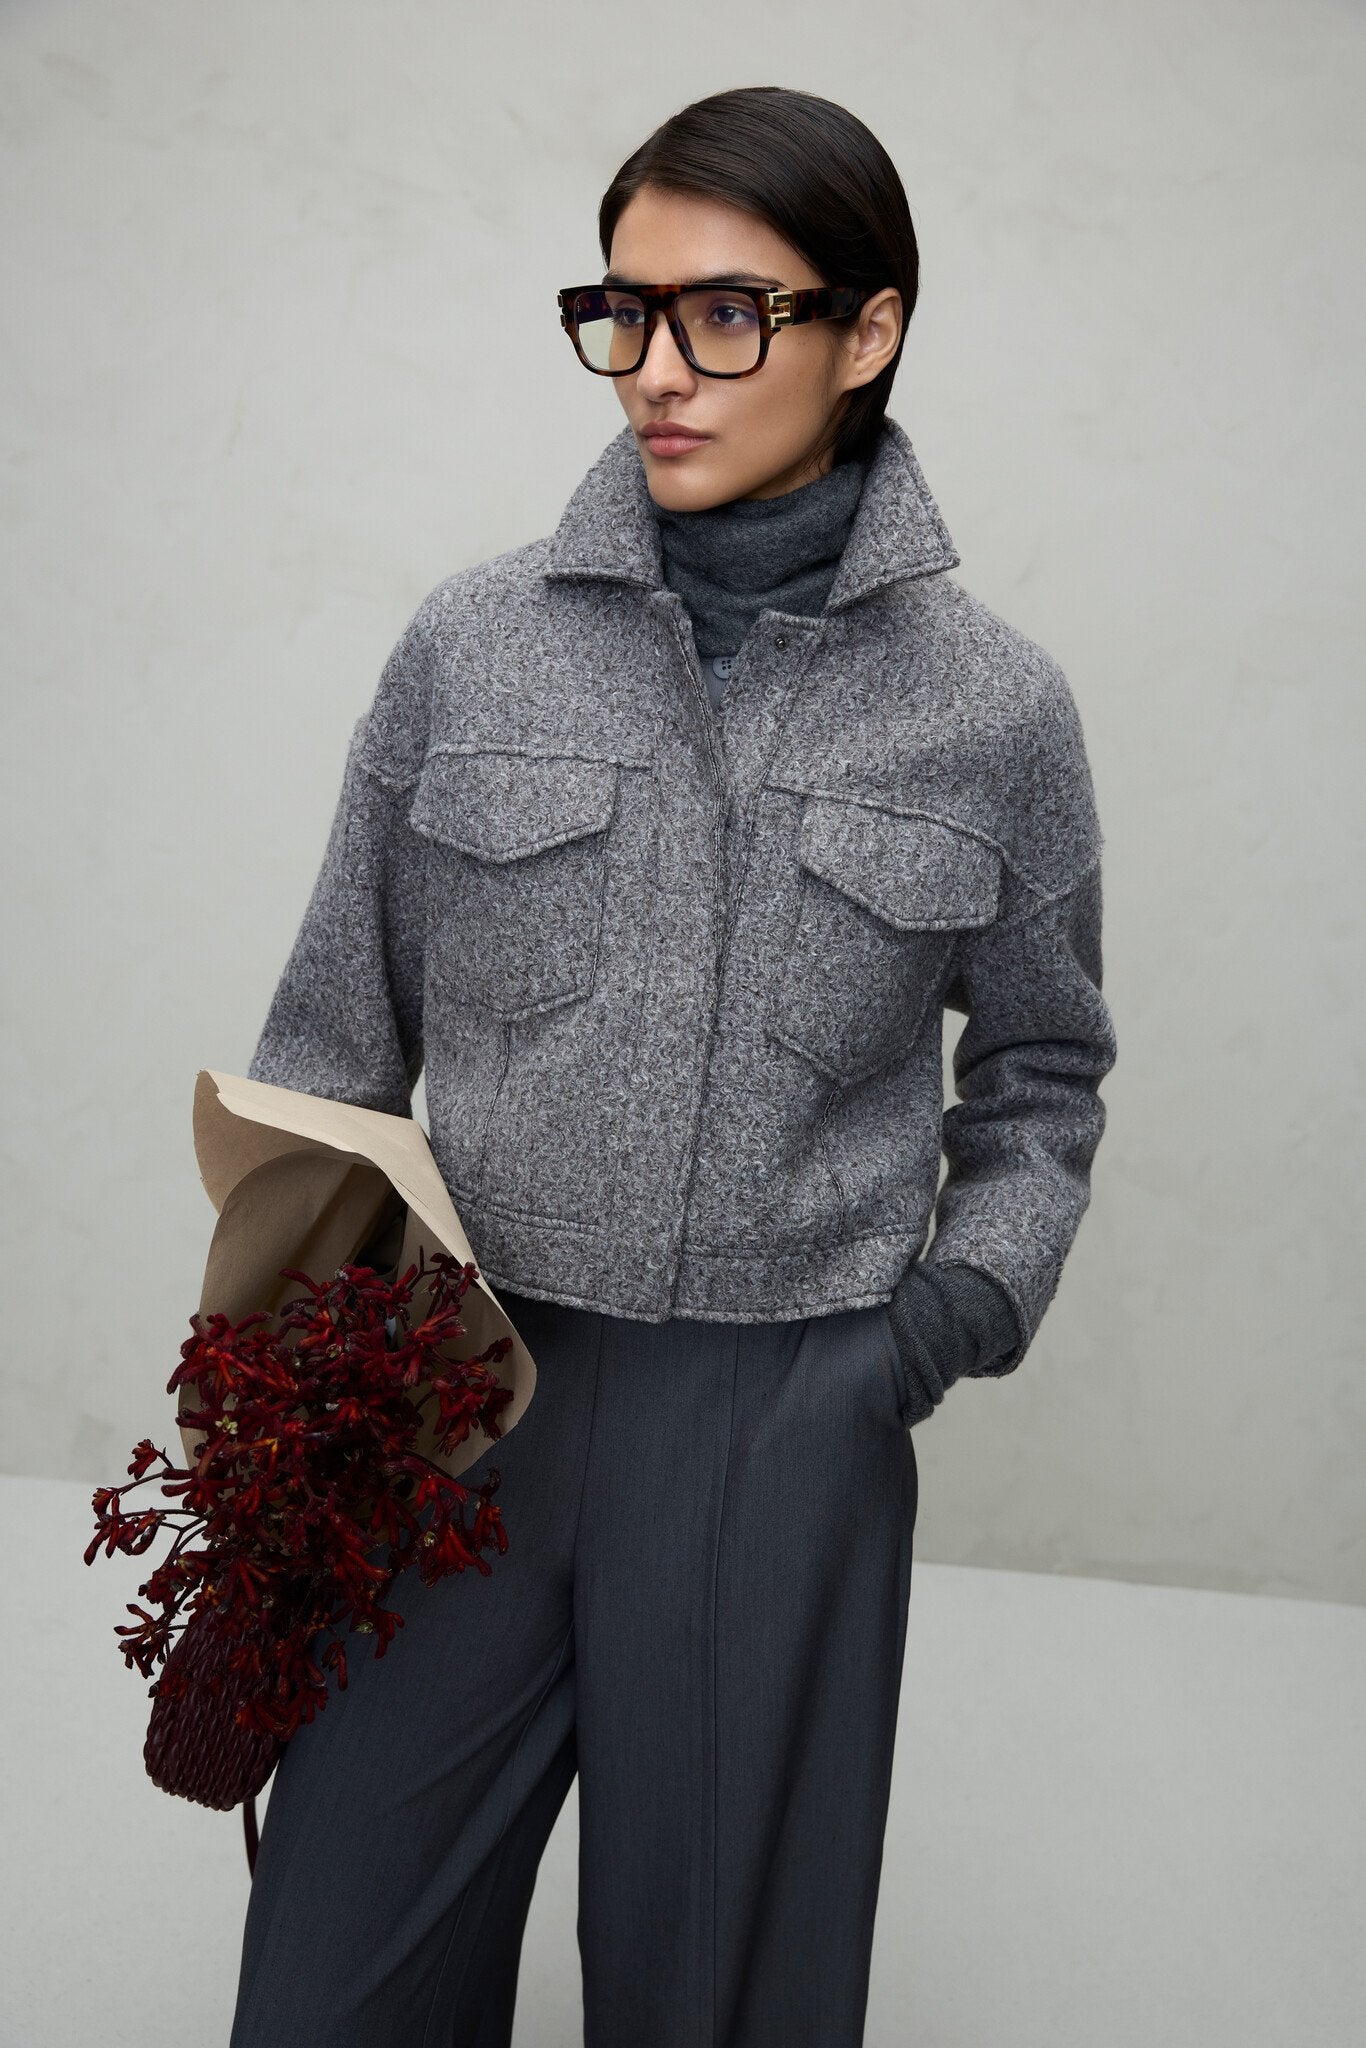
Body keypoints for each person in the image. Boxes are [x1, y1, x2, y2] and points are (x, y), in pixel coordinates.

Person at [228, 84, 1117, 2048]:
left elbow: (1044, 1078)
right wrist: (303, 1404)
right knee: (330, 1988)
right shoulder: (471, 646)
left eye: (723, 314)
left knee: (721, 2002)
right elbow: (327, 1053)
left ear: (866, 332)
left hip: (782, 1413)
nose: (653, 368)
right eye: (619, 309)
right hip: (459, 1401)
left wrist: (929, 1327)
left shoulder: (994, 711)